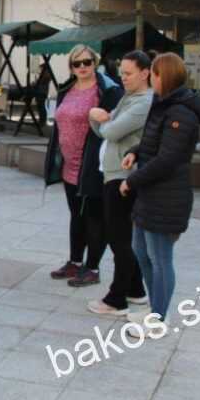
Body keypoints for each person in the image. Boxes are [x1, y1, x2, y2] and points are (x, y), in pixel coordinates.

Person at [121, 52, 200, 330]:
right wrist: (135, 152)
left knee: (160, 258)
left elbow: (168, 159)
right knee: (141, 251)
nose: (151, 77)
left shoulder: (181, 113)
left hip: (167, 196)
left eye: (154, 73)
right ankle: (155, 307)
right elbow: (153, 142)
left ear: (165, 76)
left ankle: (159, 318)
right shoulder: (163, 104)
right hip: (151, 194)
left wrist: (132, 181)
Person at [44, 45, 122, 288]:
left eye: (87, 62)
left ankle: (93, 268)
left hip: (92, 165)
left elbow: (115, 122)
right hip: (69, 164)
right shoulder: (66, 88)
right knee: (76, 216)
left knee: (94, 217)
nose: (82, 67)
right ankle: (75, 262)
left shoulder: (107, 90)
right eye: (76, 63)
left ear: (95, 62)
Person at [87, 51, 153, 317]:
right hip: (112, 173)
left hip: (124, 177)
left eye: (128, 73)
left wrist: (102, 118)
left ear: (145, 73)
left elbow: (112, 131)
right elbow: (101, 129)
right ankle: (135, 290)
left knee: (119, 239)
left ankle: (116, 299)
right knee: (121, 236)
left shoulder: (144, 102)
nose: (123, 78)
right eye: (121, 73)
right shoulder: (128, 97)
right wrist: (97, 117)